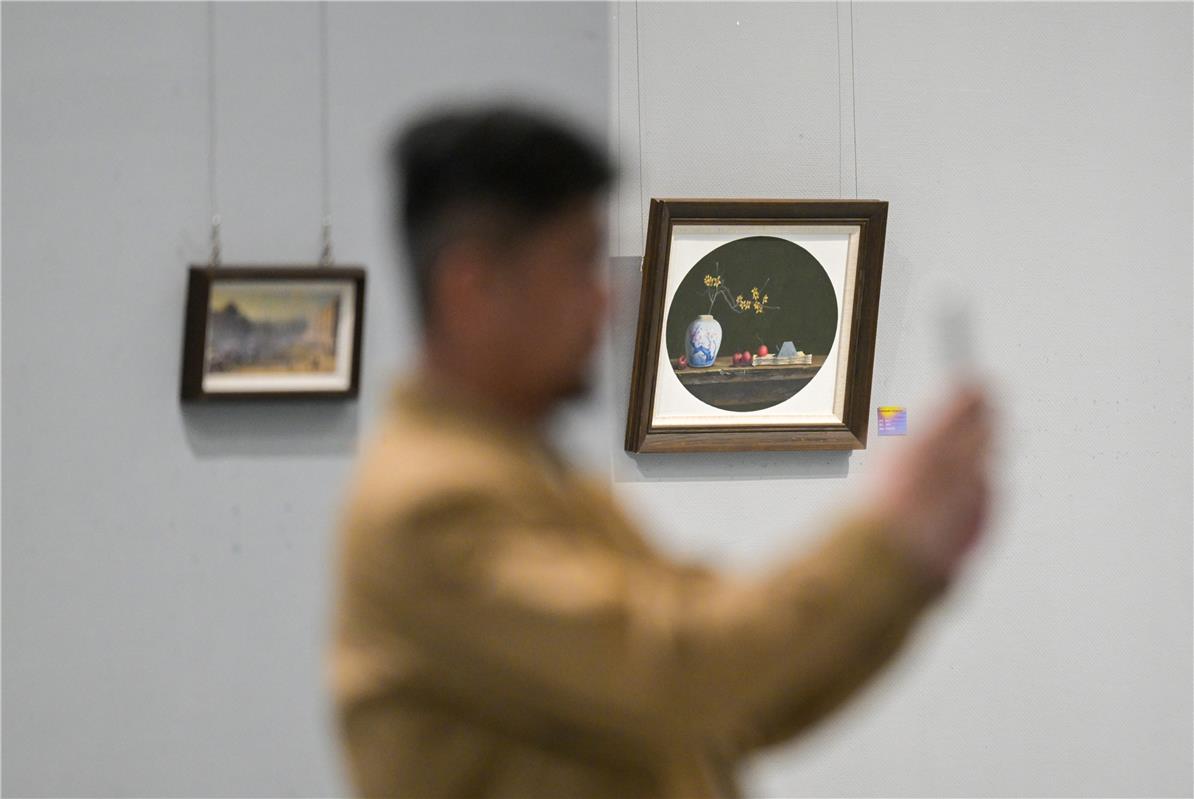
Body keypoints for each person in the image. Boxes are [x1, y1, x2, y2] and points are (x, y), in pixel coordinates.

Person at [328, 103, 995, 799]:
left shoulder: (543, 483)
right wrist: (887, 537)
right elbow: (686, 674)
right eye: (578, 263)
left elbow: (741, 705)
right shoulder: (430, 507)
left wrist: (913, 564)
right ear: (472, 289)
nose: (605, 301)